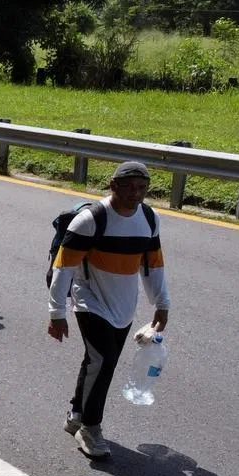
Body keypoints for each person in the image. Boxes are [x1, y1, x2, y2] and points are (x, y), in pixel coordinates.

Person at [48, 161, 170, 459]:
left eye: (142, 188)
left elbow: (153, 265)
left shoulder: (149, 218)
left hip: (124, 305)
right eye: (128, 187)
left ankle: (76, 413)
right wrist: (57, 312)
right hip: (88, 298)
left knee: (96, 360)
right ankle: (90, 428)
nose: (135, 193)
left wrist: (162, 303)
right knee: (103, 361)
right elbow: (63, 267)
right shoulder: (90, 220)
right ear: (112, 186)